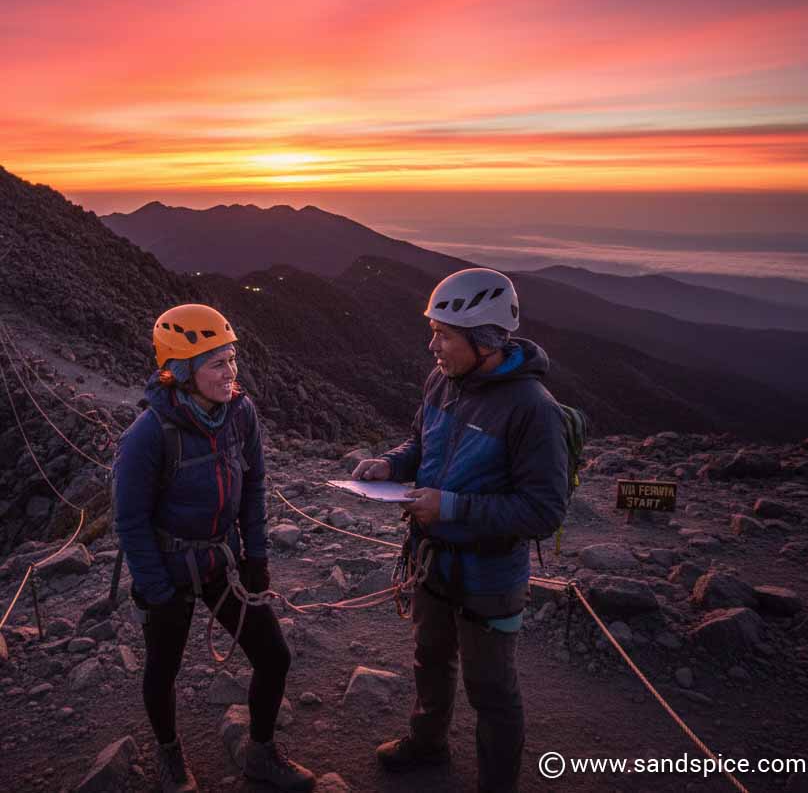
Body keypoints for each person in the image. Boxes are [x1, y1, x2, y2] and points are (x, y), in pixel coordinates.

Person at [353, 268, 569, 793]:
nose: (432, 346)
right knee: (430, 657)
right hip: (432, 558)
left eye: (443, 335)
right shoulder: (442, 381)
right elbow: (421, 444)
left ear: (484, 340)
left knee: (491, 688)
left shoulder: (533, 410)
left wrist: (449, 506)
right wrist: (390, 464)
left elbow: (543, 511)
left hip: (490, 575)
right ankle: (427, 743)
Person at [113, 303, 315, 793]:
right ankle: (169, 754)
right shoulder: (148, 436)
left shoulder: (240, 414)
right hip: (170, 569)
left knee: (274, 657)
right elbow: (130, 522)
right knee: (163, 670)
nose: (231, 373)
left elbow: (255, 483)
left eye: (232, 359)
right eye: (217, 363)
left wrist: (256, 556)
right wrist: (157, 591)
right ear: (182, 372)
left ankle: (261, 754)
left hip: (223, 562)